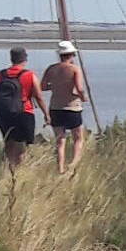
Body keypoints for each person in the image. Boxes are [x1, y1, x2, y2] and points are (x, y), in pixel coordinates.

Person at [0, 46, 45, 167]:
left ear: (11, 59)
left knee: (9, 143)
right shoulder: (29, 75)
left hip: (4, 115)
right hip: (24, 113)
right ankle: (19, 171)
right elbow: (39, 97)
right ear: (24, 59)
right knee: (22, 145)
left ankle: (10, 169)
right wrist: (46, 114)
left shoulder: (1, 75)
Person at [40, 40, 88, 173]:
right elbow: (79, 88)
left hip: (55, 107)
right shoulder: (74, 69)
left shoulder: (51, 69)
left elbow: (42, 86)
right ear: (71, 54)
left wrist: (55, 86)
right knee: (78, 137)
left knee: (60, 140)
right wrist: (83, 97)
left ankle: (60, 169)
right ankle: (73, 163)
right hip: (72, 107)